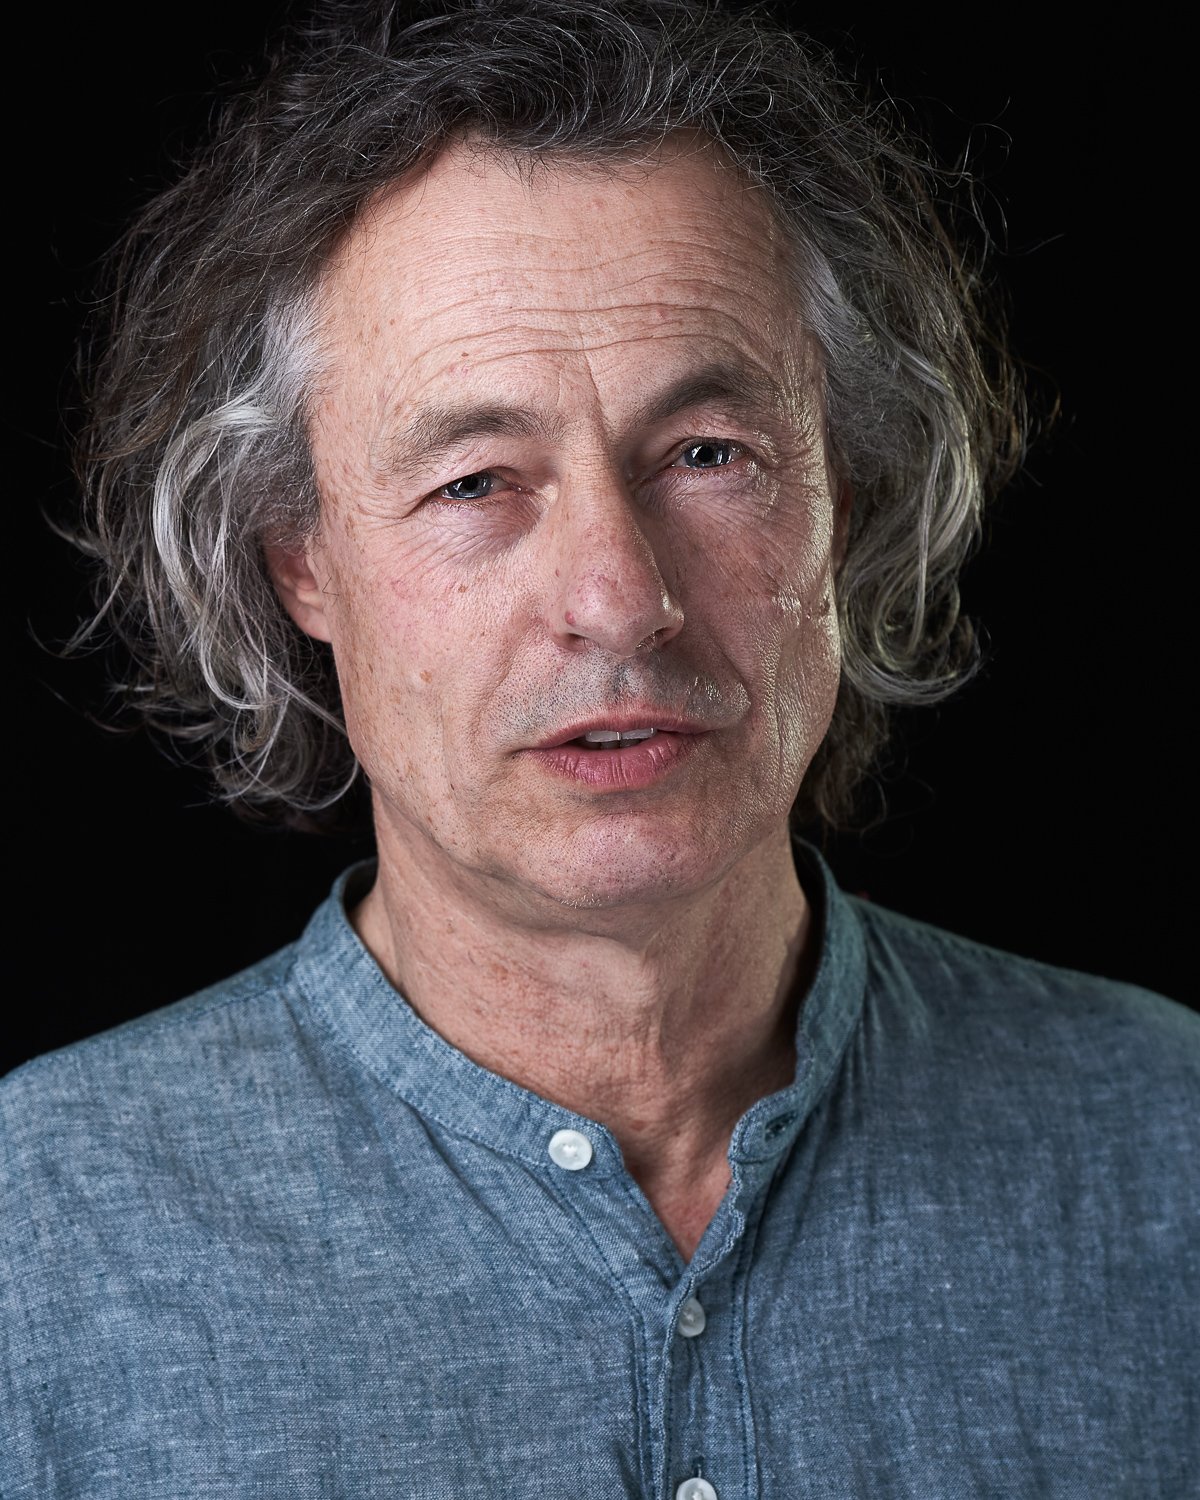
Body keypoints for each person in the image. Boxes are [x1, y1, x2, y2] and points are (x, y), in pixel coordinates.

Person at [4, 1, 1195, 1495]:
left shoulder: (1171, 1153)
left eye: (708, 456)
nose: (620, 598)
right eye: (477, 481)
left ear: (850, 502)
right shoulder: (36, 1245)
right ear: (298, 560)